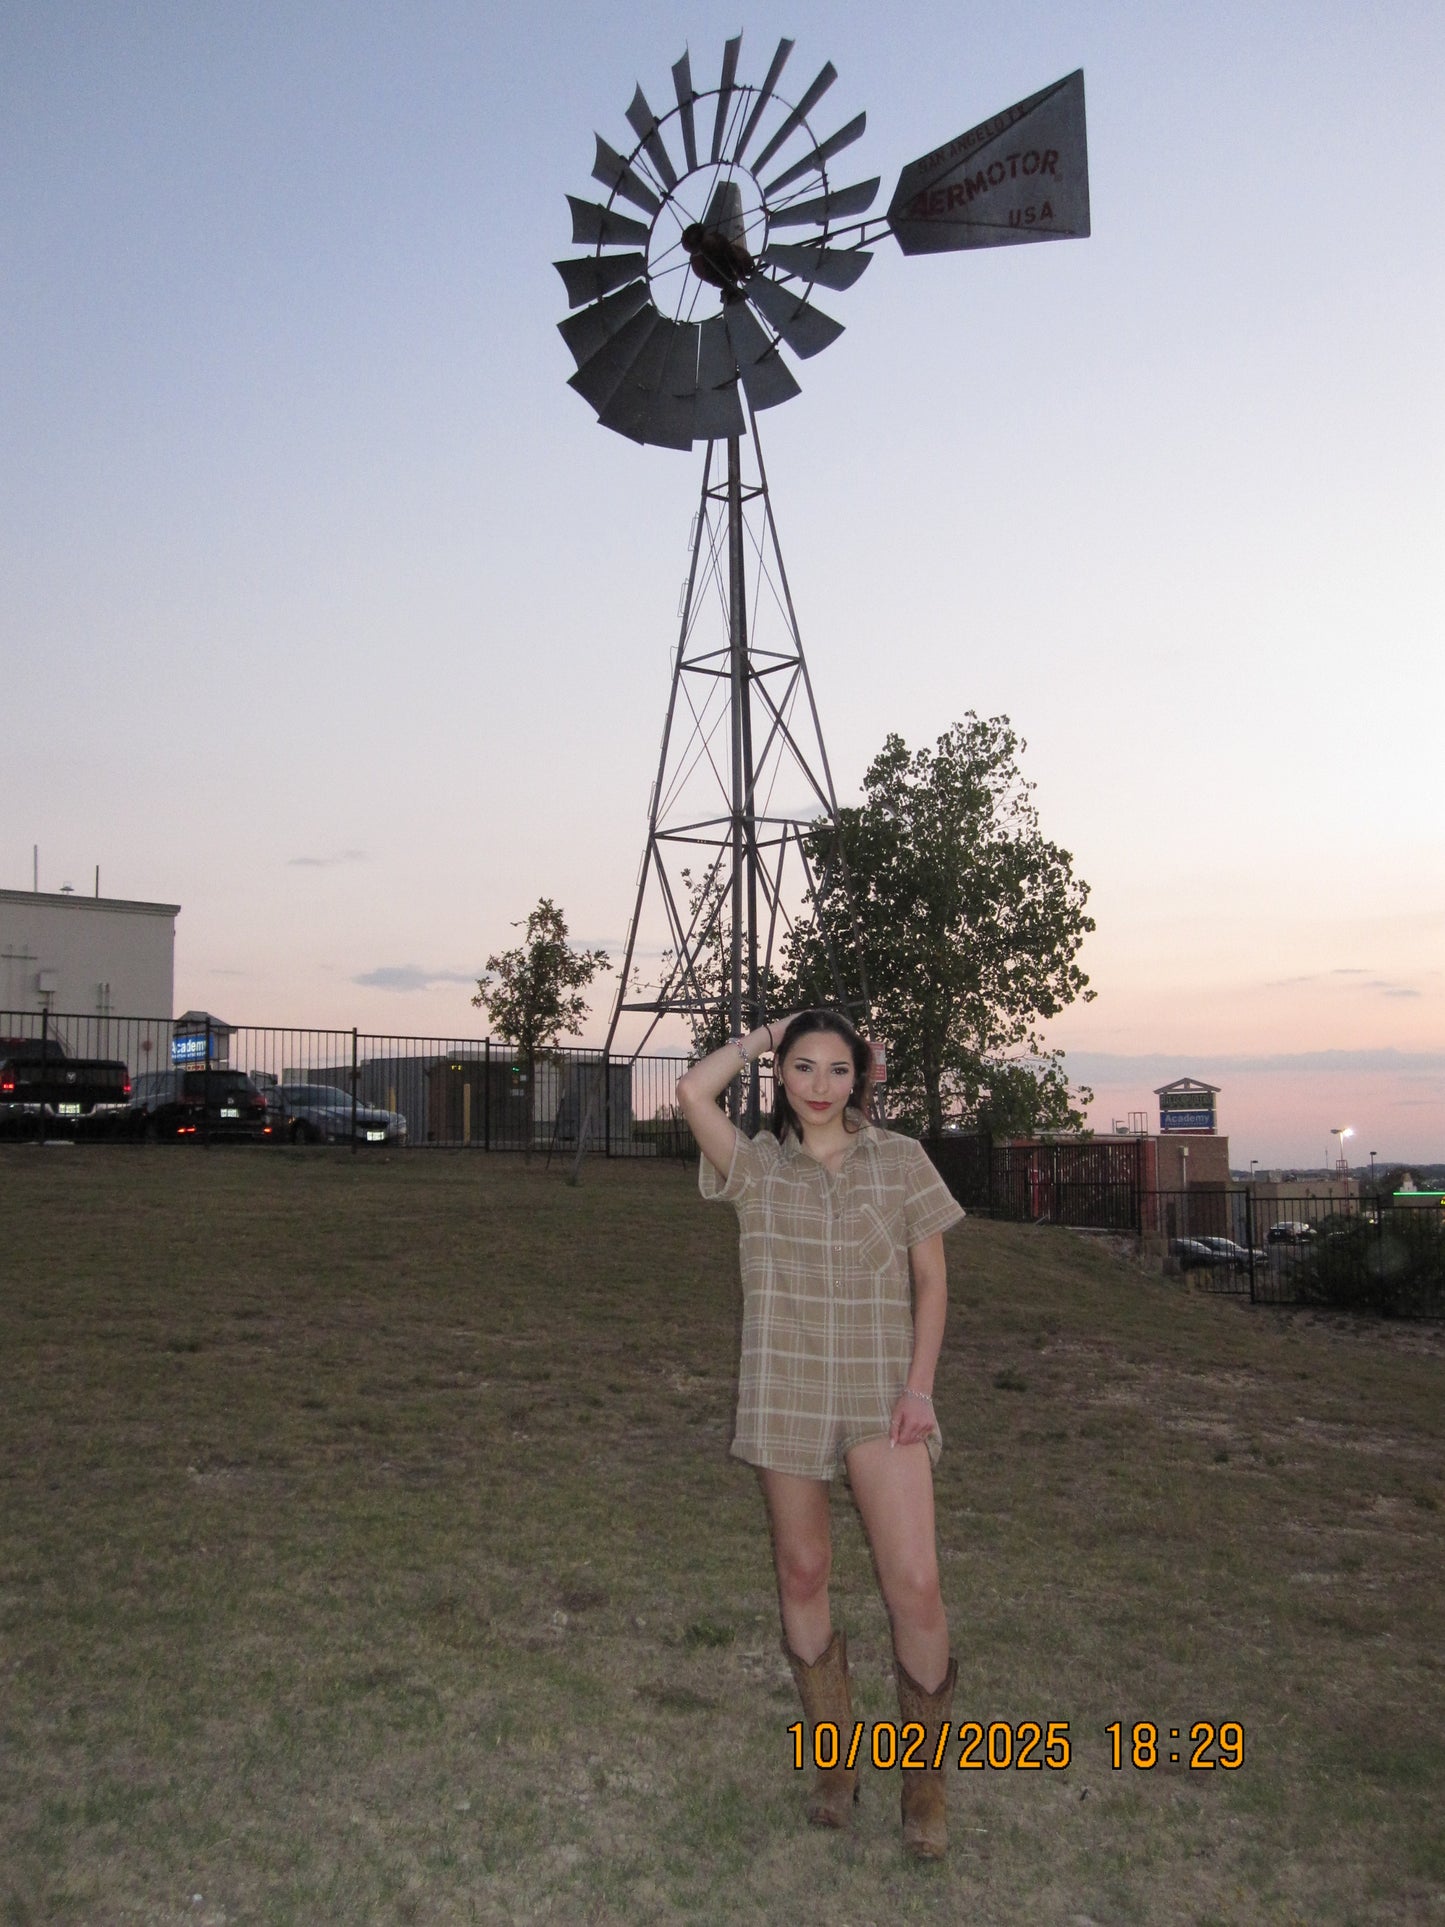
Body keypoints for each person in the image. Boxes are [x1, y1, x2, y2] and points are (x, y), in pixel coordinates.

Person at [676, 1009, 966, 1859]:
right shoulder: (754, 1168)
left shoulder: (900, 1160)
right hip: (787, 1392)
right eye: (800, 1066)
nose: (817, 1085)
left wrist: (919, 1388)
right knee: (803, 1573)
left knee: (913, 1583)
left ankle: (924, 1782)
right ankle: (835, 1763)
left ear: (861, 1077)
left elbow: (931, 1280)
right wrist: (766, 1032)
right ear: (779, 1074)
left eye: (836, 1069)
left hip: (884, 1398)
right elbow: (693, 1089)